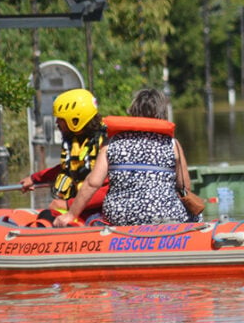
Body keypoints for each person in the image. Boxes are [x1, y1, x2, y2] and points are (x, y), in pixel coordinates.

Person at [54, 88, 192, 227]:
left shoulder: (111, 143)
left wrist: (71, 214)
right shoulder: (173, 144)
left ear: (132, 112)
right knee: (194, 215)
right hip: (165, 214)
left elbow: (92, 183)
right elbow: (184, 186)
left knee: (92, 219)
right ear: (162, 113)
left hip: (120, 216)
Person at [20, 88, 108, 225]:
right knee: (46, 215)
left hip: (98, 212)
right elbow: (69, 169)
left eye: (61, 119)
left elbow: (107, 190)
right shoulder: (79, 140)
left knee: (51, 218)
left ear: (75, 120)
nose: (57, 123)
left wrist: (69, 205)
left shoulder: (106, 145)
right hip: (81, 208)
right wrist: (35, 178)